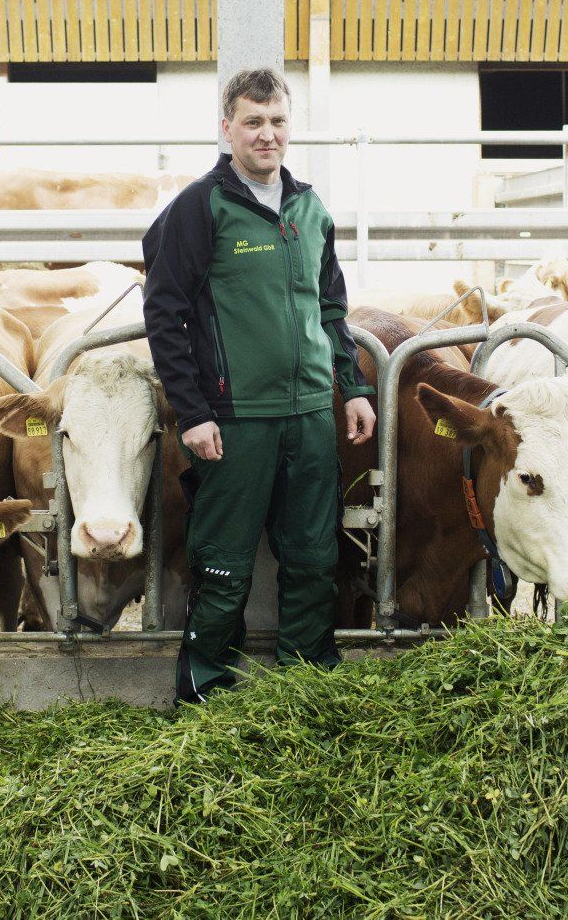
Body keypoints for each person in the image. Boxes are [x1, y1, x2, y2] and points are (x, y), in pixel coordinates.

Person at [143, 66, 378, 705]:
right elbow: (164, 313)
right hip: (234, 416)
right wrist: (193, 410)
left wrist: (353, 385)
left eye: (277, 121)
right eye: (253, 122)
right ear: (228, 129)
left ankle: (306, 688)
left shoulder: (309, 208)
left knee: (313, 559)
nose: (266, 134)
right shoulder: (201, 207)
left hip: (310, 413)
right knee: (223, 562)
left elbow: (331, 308)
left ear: (289, 127)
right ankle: (207, 695)